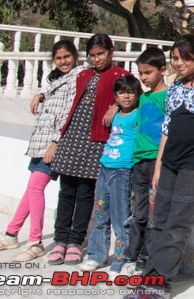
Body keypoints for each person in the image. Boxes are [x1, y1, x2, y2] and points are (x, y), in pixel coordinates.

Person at [131, 34, 194, 299]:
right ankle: (148, 278)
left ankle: (159, 284)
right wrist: (159, 166)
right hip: (170, 162)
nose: (179, 63)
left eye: (184, 57)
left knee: (177, 226)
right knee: (159, 221)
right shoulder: (175, 87)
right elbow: (167, 129)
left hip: (193, 165)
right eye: (175, 58)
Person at [0, 40, 81, 262]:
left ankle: (35, 242)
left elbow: (68, 114)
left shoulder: (77, 78)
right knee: (31, 189)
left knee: (36, 187)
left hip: (55, 144)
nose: (63, 61)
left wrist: (55, 144)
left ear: (75, 56)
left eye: (67, 57)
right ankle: (11, 233)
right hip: (41, 141)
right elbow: (53, 97)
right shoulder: (57, 79)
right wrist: (41, 95)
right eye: (58, 58)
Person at [48, 33, 130, 266]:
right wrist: (42, 94)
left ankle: (75, 242)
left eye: (100, 54)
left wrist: (115, 105)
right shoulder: (83, 74)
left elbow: (133, 96)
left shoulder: (120, 76)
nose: (96, 59)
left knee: (85, 194)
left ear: (111, 52)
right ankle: (60, 240)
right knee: (66, 192)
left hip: (96, 141)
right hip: (72, 137)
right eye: (92, 55)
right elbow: (61, 90)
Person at [79, 74, 142, 275]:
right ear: (115, 96)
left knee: (121, 218)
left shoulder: (138, 114)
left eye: (131, 92)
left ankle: (121, 261)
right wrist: (113, 107)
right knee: (99, 215)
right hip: (105, 168)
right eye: (122, 92)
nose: (126, 96)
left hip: (123, 172)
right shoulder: (114, 114)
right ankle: (97, 256)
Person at [121, 47, 169, 276]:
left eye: (148, 72)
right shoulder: (144, 97)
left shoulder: (167, 97)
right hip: (139, 160)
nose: (144, 77)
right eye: (141, 73)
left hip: (155, 162)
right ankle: (131, 256)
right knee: (137, 212)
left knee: (152, 214)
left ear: (163, 70)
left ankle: (145, 259)